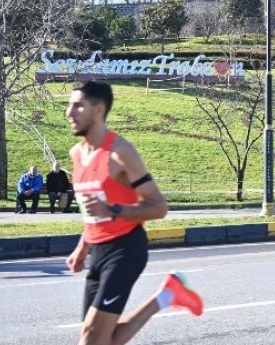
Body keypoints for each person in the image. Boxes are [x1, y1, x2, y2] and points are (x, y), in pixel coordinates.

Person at [64, 81, 203, 345]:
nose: (69, 112)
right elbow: (90, 209)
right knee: (102, 340)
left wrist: (114, 210)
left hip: (125, 249)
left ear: (99, 110)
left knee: (91, 337)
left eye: (78, 105)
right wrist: (82, 247)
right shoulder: (77, 154)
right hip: (98, 251)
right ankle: (168, 295)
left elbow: (159, 207)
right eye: (69, 105)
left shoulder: (120, 153)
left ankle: (169, 295)